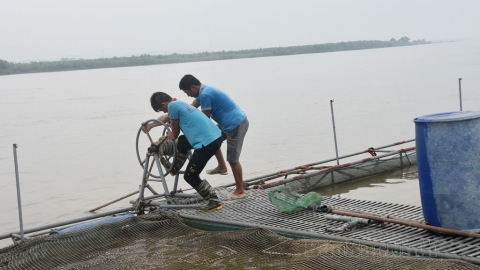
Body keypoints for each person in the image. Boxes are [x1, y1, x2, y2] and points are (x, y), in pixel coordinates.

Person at [143, 92, 223, 212]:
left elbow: (175, 130)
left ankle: (214, 202)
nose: (164, 112)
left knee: (190, 176)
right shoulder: (178, 103)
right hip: (214, 136)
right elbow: (165, 119)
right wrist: (150, 126)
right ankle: (174, 168)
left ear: (164, 104)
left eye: (162, 109)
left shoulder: (172, 106)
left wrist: (171, 135)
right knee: (182, 141)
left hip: (206, 143)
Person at [179, 75, 248, 200]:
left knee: (233, 159)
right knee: (213, 138)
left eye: (187, 92)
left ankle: (240, 190)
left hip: (235, 124)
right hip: (226, 124)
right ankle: (222, 167)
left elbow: (205, 119)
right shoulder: (204, 92)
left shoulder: (206, 95)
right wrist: (175, 118)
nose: (188, 95)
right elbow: (191, 108)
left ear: (194, 87)